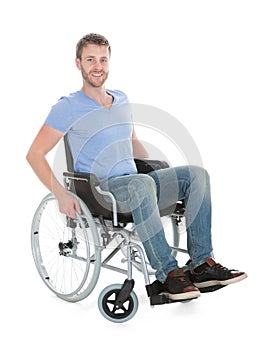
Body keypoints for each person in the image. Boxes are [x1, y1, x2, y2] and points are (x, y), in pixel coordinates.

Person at [26, 33, 247, 301]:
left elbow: (131, 144)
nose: (98, 66)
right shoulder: (67, 107)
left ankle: (201, 264)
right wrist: (61, 195)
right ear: (78, 63)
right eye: (91, 60)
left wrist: (159, 171)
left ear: (109, 62)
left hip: (137, 183)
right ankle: (168, 274)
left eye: (103, 60)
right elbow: (35, 154)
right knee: (142, 184)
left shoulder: (121, 99)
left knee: (196, 175)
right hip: (101, 192)